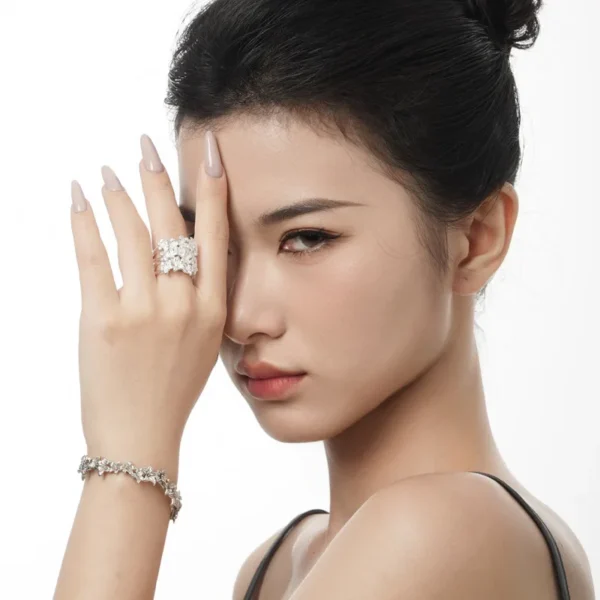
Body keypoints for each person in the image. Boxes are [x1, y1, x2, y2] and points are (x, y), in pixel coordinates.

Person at [54, 0, 595, 599]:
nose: (238, 318)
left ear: (477, 239)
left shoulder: (444, 532)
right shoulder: (278, 564)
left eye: (307, 238)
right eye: (213, 245)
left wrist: (129, 454)